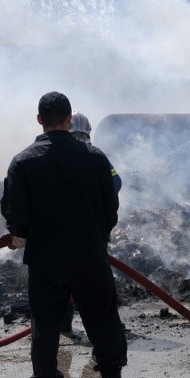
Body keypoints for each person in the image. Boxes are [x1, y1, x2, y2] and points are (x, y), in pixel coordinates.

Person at [1, 92, 130, 378]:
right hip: (89, 255)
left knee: (45, 326)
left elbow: (17, 216)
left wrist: (22, 233)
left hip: (46, 260)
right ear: (70, 119)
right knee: (103, 319)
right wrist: (97, 234)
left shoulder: (23, 161)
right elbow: (110, 209)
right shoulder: (95, 158)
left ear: (40, 120)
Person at [58, 112, 123, 339]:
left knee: (62, 283)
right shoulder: (96, 156)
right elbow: (116, 183)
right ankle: (102, 338)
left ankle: (64, 326)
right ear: (88, 129)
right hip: (91, 235)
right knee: (94, 287)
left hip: (58, 235)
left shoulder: (54, 153)